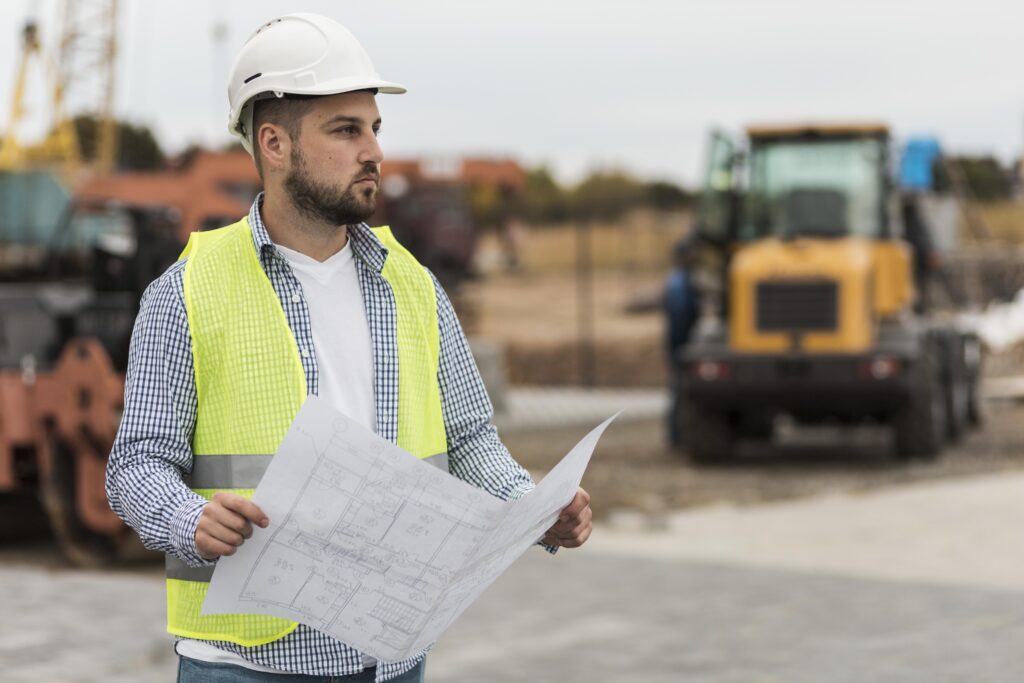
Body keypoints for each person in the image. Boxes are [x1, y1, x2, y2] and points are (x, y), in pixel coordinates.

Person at [105, 13, 592, 683]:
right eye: (345, 130)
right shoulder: (186, 292)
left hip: (388, 657)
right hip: (244, 665)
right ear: (274, 144)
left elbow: (472, 439)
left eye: (374, 128)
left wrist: (533, 510)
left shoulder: (414, 285)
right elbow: (135, 465)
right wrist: (188, 518)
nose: (374, 151)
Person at [663, 238, 700, 449]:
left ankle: (676, 435)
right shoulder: (679, 282)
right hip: (680, 343)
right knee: (678, 389)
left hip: (678, 343)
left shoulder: (678, 280)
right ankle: (675, 436)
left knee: (677, 389)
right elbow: (680, 315)